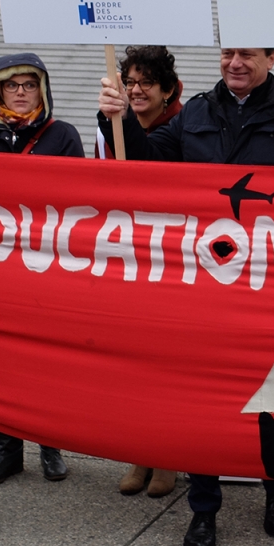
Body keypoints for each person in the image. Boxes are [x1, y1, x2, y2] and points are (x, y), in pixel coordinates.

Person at [97, 46, 274, 546]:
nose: (235, 62)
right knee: (202, 400)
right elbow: (145, 166)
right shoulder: (196, 112)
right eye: (227, 53)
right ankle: (203, 506)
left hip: (273, 280)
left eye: (247, 54)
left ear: (271, 56)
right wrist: (117, 120)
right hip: (207, 282)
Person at [0, 53, 84, 488]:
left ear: (42, 90)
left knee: (46, 361)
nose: (20, 92)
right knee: (3, 364)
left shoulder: (63, 135)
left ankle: (49, 443)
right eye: (11, 85)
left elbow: (79, 198)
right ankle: (7, 450)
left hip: (45, 264)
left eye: (28, 85)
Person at [100, 46, 183, 498]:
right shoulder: (107, 129)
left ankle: (168, 457)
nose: (136, 90)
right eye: (130, 82)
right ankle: (141, 454)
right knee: (133, 368)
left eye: (146, 82)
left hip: (169, 262)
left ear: (168, 90)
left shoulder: (182, 129)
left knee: (166, 367)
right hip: (126, 258)